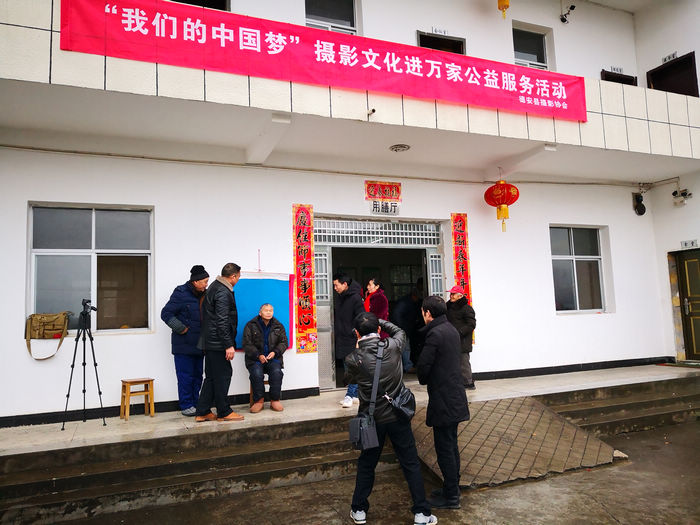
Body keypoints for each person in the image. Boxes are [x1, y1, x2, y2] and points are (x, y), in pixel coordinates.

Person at [345, 312, 437, 525]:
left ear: (357, 333)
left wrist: (360, 343)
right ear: (379, 330)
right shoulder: (394, 346)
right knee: (410, 463)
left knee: (367, 464)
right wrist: (379, 321)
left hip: (371, 420)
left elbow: (349, 379)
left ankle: (359, 510)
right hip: (398, 416)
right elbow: (399, 331)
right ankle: (421, 513)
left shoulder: (353, 358)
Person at [417, 295, 470, 510]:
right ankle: (452, 487)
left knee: (445, 449)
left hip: (443, 398)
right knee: (451, 445)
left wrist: (425, 377)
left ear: (428, 313)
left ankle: (451, 498)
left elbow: (423, 367)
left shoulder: (435, 333)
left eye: (423, 312)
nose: (422, 315)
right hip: (455, 395)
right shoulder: (450, 330)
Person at [195, 262, 245, 423]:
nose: (238, 280)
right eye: (238, 277)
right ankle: (224, 411)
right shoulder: (223, 292)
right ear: (233, 276)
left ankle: (203, 411)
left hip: (210, 342)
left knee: (211, 377)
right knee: (223, 375)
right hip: (218, 343)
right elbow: (222, 321)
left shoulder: (214, 287)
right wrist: (228, 345)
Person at [160, 265, 209, 416]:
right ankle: (186, 405)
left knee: (198, 376)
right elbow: (166, 313)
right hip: (183, 345)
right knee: (185, 377)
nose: (206, 284)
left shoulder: (205, 295)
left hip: (200, 344)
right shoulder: (180, 293)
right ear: (195, 281)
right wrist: (181, 328)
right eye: (204, 281)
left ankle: (196, 403)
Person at [242, 303, 288, 413]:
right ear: (260, 313)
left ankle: (275, 400)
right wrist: (258, 355)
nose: (268, 312)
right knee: (257, 373)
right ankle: (259, 401)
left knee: (277, 372)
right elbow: (246, 344)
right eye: (266, 310)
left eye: (271, 310)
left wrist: (275, 352)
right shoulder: (250, 325)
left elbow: (284, 343)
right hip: (255, 359)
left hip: (273, 359)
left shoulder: (278, 325)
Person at [333, 273, 364, 409]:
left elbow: (361, 318)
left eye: (336, 285)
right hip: (342, 337)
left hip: (352, 338)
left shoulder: (355, 298)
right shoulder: (340, 297)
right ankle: (356, 395)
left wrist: (357, 336)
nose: (335, 288)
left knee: (352, 368)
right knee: (349, 368)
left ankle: (349, 396)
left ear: (345, 284)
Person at [445, 285, 477, 390]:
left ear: (460, 296)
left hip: (462, 341)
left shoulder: (467, 308)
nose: (451, 296)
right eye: (451, 294)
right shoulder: (447, 307)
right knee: (451, 362)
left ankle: (468, 383)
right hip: (450, 339)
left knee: (463, 363)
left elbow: (471, 324)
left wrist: (459, 333)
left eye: (453, 294)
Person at [391, 288, 421, 373]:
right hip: (402, 329)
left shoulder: (408, 302)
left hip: (404, 328)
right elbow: (396, 315)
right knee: (405, 348)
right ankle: (408, 366)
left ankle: (405, 366)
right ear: (414, 296)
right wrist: (401, 327)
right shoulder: (405, 303)